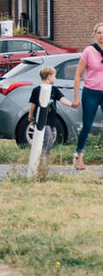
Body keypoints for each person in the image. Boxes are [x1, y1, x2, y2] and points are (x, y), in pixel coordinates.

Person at [71, 22, 103, 170]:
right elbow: (78, 75)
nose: (102, 36)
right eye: (99, 33)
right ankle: (78, 157)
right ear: (95, 34)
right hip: (91, 92)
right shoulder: (89, 51)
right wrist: (76, 97)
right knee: (87, 125)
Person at [28, 66, 74, 166]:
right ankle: (43, 160)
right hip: (42, 120)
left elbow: (62, 99)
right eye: (54, 76)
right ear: (49, 77)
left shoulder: (54, 90)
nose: (55, 78)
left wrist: (71, 104)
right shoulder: (37, 90)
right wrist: (30, 115)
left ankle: (44, 159)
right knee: (47, 140)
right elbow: (33, 104)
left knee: (49, 140)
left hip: (51, 119)